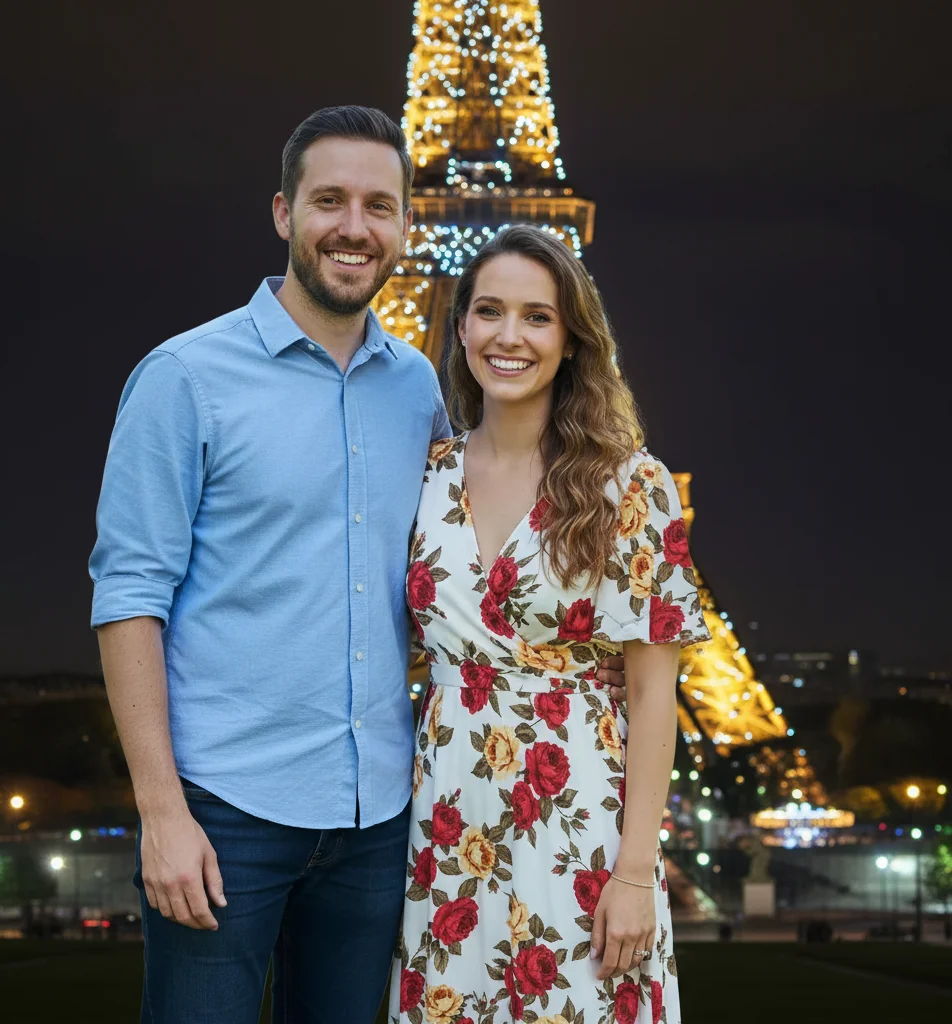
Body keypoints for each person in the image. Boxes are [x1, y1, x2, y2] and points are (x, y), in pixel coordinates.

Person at [88, 107, 626, 1024]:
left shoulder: (419, 386)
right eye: (328, 200)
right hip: (226, 812)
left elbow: (470, 560)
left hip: (379, 818)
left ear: (406, 226)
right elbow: (129, 598)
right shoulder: (184, 378)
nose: (353, 226)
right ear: (282, 213)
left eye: (379, 205)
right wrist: (162, 811)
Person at [389, 225, 710, 1024]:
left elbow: (652, 695)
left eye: (537, 317)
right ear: (458, 324)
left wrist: (635, 872)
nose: (509, 336)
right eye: (489, 311)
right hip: (441, 828)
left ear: (571, 339)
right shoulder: (423, 476)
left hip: (579, 831)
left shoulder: (631, 487)